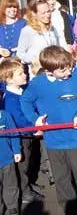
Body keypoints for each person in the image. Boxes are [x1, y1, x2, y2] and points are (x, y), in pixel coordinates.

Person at [20, 46, 77, 214]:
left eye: (69, 67)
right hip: (54, 142)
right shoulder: (38, 84)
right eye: (62, 70)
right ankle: (70, 209)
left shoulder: (75, 79)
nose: (68, 72)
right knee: (62, 179)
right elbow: (25, 101)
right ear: (48, 70)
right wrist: (36, 119)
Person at [0, 58, 44, 204]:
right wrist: (34, 128)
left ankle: (28, 184)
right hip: (21, 136)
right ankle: (24, 192)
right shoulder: (10, 100)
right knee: (22, 165)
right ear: (9, 79)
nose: (25, 75)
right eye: (20, 74)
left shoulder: (22, 90)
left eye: (24, 72)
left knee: (29, 162)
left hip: (28, 134)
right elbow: (18, 120)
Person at [17, 0, 59, 77]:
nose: (47, 15)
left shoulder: (52, 28)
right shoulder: (28, 30)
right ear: (34, 13)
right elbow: (20, 53)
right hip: (38, 73)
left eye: (48, 11)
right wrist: (33, 60)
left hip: (53, 70)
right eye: (43, 13)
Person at [0, 109, 21, 215]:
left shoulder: (5, 115)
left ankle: (12, 207)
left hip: (7, 158)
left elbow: (14, 133)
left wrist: (17, 150)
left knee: (11, 185)